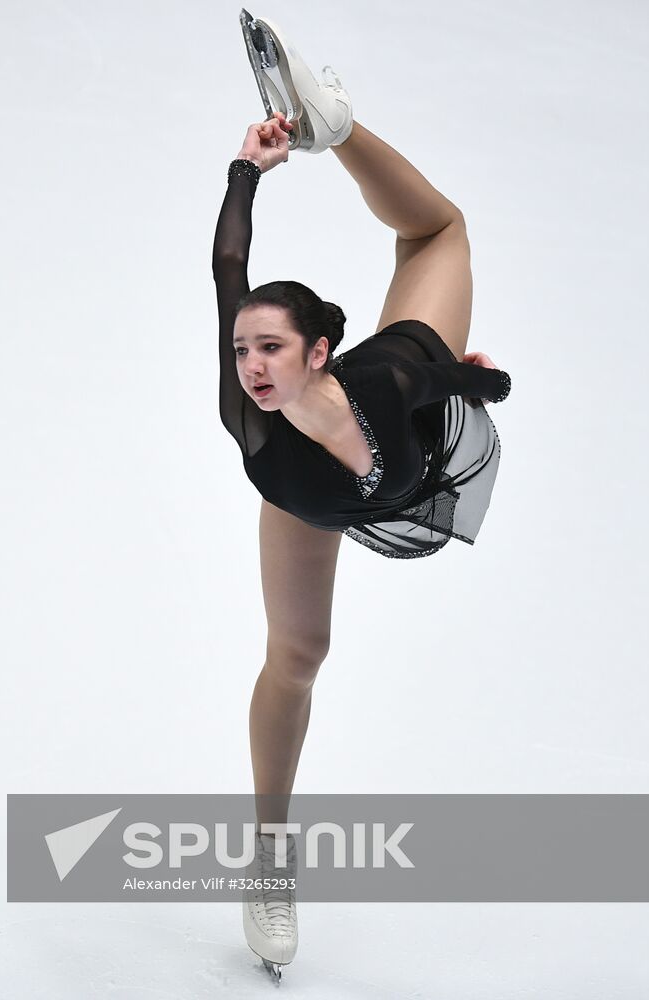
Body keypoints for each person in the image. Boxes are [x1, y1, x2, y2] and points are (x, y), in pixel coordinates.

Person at [211, 13, 512, 980]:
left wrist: (485, 382)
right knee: (299, 654)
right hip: (317, 498)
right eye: (242, 350)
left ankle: (339, 127)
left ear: (318, 352)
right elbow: (228, 266)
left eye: (271, 349)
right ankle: (268, 862)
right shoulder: (258, 428)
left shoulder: (386, 384)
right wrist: (246, 171)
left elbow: (455, 384)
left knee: (438, 230)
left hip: (407, 433)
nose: (252, 367)